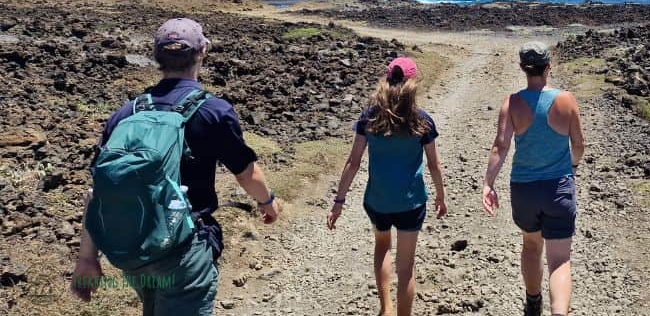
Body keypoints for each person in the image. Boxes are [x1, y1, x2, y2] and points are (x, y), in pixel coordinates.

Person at [70, 17, 280, 315]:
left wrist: (87, 258)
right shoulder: (214, 111)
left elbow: (98, 189)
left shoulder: (126, 113)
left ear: (157, 56)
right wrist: (268, 203)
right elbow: (246, 173)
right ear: (202, 52)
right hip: (184, 248)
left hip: (135, 248)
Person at [327, 56, 447, 316]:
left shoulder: (370, 116)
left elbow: (353, 162)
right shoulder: (421, 120)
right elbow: (434, 165)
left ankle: (386, 308)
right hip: (411, 202)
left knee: (382, 247)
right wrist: (441, 196)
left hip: (377, 200)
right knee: (406, 266)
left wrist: (339, 202)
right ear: (413, 82)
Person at [482, 42, 585, 316]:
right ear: (548, 66)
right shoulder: (566, 100)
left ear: (522, 69)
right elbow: (578, 144)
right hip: (558, 187)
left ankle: (533, 301)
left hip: (524, 189)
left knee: (531, 245)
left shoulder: (513, 102)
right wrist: (572, 166)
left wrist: (488, 183)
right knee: (560, 260)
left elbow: (500, 147)